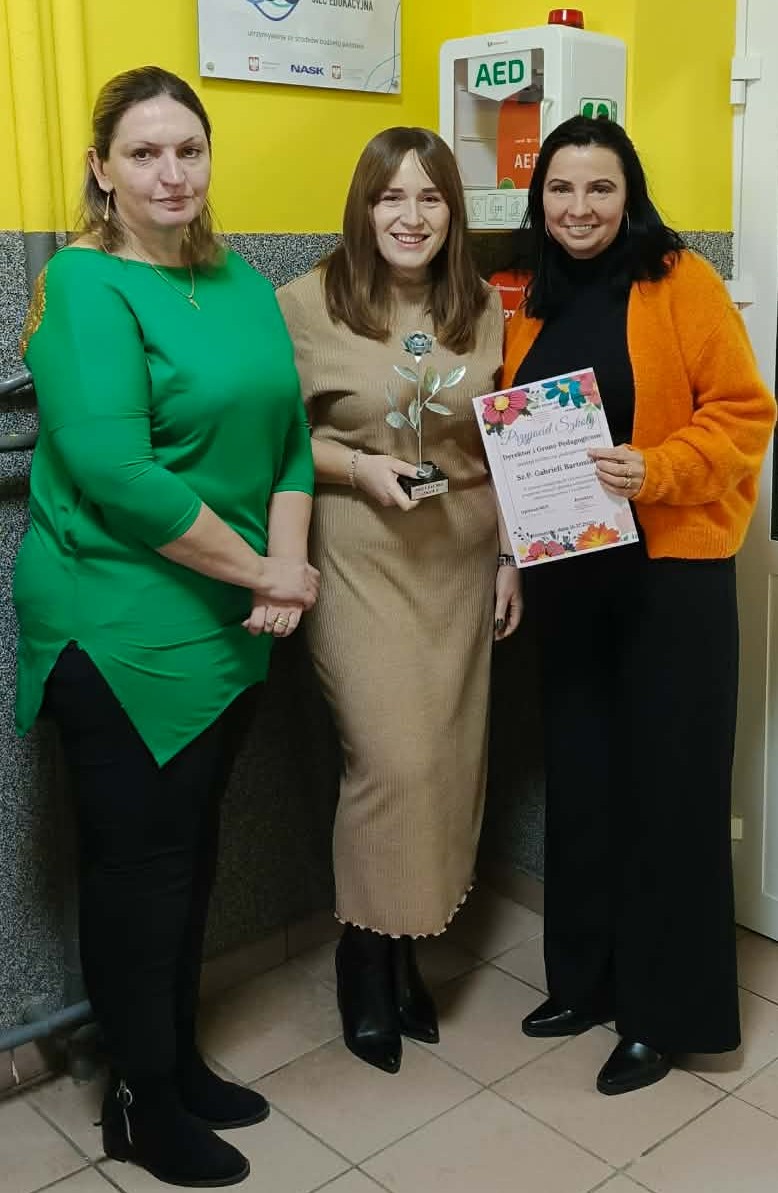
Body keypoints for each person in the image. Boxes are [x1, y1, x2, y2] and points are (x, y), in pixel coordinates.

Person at [14, 66, 318, 1187]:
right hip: (118, 624)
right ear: (102, 169)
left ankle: (174, 1060)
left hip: (230, 614)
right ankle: (138, 1101)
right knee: (138, 870)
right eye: (143, 153)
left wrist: (283, 571)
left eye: (188, 148)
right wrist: (267, 571)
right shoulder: (85, 283)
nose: (171, 173)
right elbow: (116, 472)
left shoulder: (239, 280)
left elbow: (290, 440)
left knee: (188, 856)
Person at [502, 114, 776, 1095]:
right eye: (560, 189)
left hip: (671, 581)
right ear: (539, 199)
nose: (578, 207)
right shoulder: (527, 296)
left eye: (600, 188)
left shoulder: (680, 280)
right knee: (583, 784)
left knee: (671, 795)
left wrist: (655, 468)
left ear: (630, 197)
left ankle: (665, 1015)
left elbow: (743, 413)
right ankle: (585, 980)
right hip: (572, 578)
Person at [277, 126, 522, 1075]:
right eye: (391, 197)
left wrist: (511, 556)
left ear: (453, 212)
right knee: (392, 760)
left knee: (449, 762)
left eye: (430, 197)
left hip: (460, 559)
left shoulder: (483, 307)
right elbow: (271, 443)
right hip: (360, 558)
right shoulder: (305, 304)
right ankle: (363, 957)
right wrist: (355, 467)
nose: (410, 217)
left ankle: (404, 947)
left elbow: (502, 441)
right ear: (363, 206)